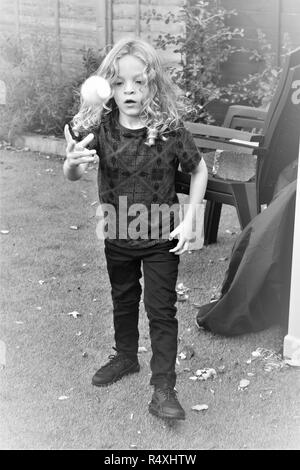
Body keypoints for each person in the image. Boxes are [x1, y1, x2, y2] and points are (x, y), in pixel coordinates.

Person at [63, 37, 208, 420]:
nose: (129, 90)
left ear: (153, 84)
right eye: (119, 82)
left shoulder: (169, 128)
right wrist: (73, 161)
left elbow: (198, 169)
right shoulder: (101, 128)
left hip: (161, 237)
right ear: (108, 86)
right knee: (123, 299)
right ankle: (126, 357)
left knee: (161, 311)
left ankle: (164, 389)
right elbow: (73, 172)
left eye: (139, 81)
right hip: (116, 233)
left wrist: (190, 221)